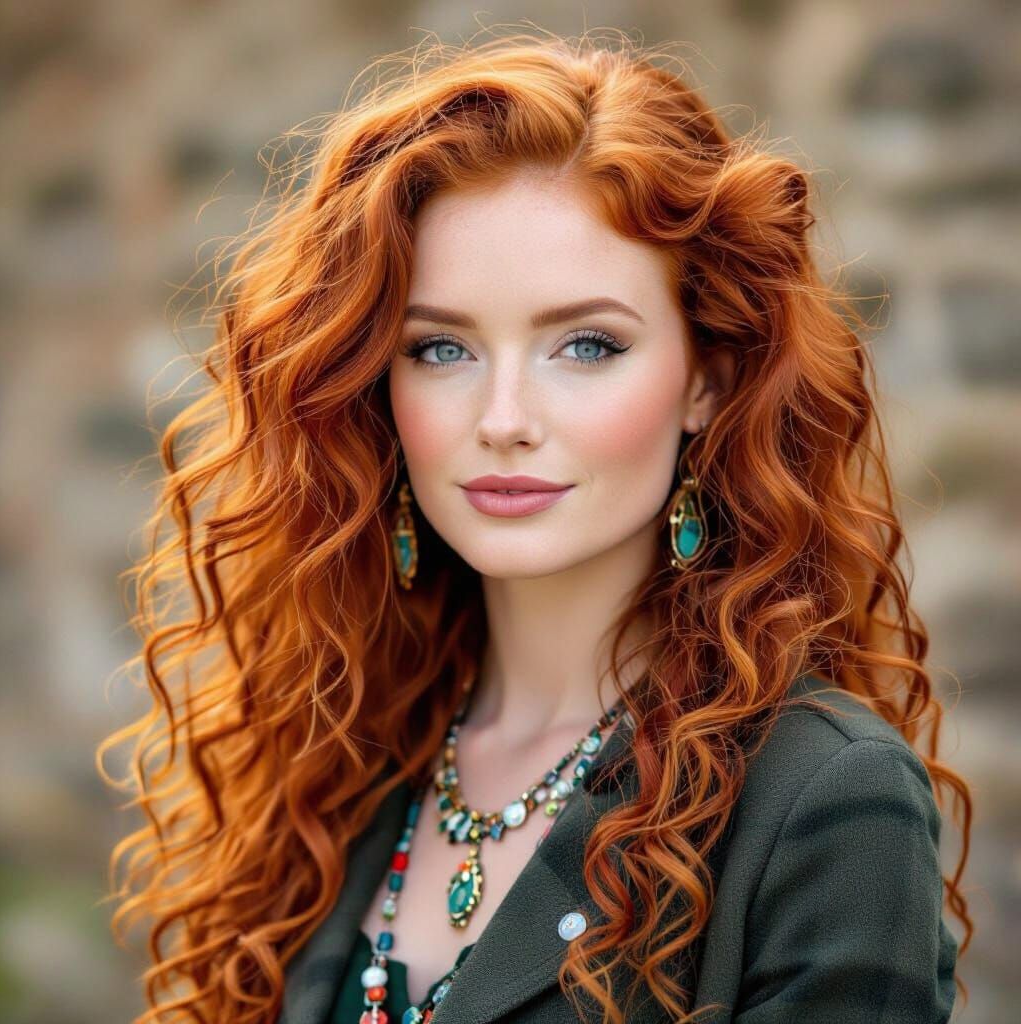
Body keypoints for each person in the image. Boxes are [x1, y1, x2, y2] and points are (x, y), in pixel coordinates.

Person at [99, 30, 974, 1024]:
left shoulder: (823, 802)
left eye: (586, 344)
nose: (503, 417)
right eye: (440, 348)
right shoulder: (338, 763)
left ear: (704, 379)